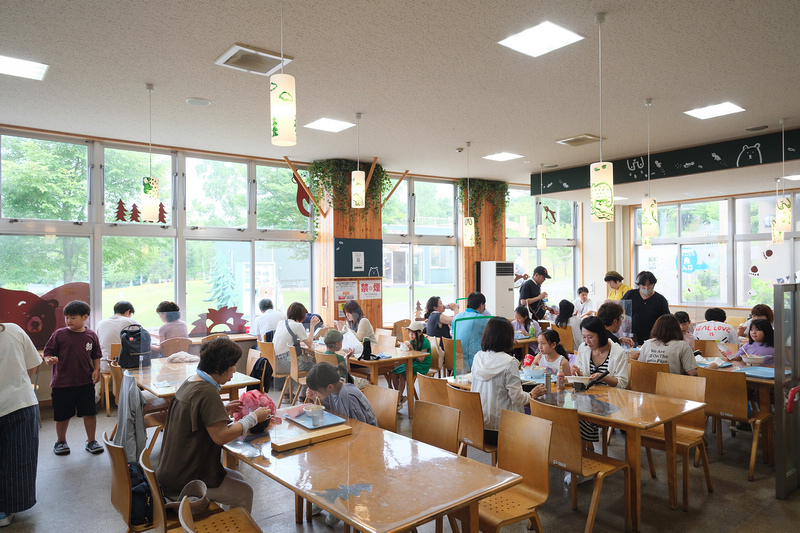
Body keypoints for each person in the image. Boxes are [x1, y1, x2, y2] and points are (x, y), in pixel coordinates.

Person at [156, 337, 270, 512]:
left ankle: (227, 522)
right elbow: (221, 436)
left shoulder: (191, 382)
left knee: (238, 477)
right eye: (232, 365)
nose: (234, 370)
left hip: (171, 471)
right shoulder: (208, 392)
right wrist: (253, 417)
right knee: (244, 492)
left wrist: (221, 409)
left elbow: (195, 414)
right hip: (185, 480)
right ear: (220, 367)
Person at [470, 318, 546, 445]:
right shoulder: (509, 362)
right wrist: (532, 394)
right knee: (538, 430)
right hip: (502, 429)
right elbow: (518, 398)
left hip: (477, 426)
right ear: (508, 338)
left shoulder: (478, 357)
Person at [42, 300, 104, 456]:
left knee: (90, 413)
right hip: (62, 383)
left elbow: (96, 355)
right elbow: (47, 353)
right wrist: (49, 359)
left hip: (85, 382)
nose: (68, 321)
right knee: (62, 415)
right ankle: (60, 441)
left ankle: (91, 441)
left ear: (85, 317)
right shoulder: (59, 334)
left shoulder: (91, 335)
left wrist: (97, 369)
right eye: (66, 318)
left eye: (73, 317)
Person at [0, 323, 42, 527]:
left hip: (17, 402)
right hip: (20, 402)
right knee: (18, 458)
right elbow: (32, 365)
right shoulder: (13, 330)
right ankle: (6, 508)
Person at [571, 317, 629, 445]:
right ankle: (584, 449)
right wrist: (578, 373)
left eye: (590, 337)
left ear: (601, 334)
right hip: (589, 396)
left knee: (580, 415)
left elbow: (622, 383)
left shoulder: (618, 352)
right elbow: (584, 375)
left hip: (611, 400)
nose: (587, 341)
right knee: (568, 413)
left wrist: (604, 377)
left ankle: (586, 449)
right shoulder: (584, 348)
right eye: (584, 337)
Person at [305, 362, 377, 426]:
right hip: (349, 429)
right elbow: (331, 409)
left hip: (367, 434)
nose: (315, 393)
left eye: (316, 391)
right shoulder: (332, 390)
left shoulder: (348, 396)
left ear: (329, 387)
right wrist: (316, 399)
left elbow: (359, 426)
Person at [620, 271, 670, 344]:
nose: (646, 288)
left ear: (653, 284)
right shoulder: (630, 294)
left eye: (649, 285)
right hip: (631, 337)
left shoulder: (660, 300)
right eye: (643, 285)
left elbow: (666, 320)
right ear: (639, 285)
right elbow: (619, 309)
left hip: (652, 338)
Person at [389, 321, 431, 406]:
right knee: (393, 372)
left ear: (420, 332)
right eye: (409, 333)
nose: (411, 335)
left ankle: (398, 400)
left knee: (402, 374)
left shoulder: (425, 342)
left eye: (413, 333)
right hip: (412, 363)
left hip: (422, 366)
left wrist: (411, 350)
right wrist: (404, 348)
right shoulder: (412, 341)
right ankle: (399, 396)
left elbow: (421, 360)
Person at [273, 302, 319, 376]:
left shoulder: (281, 323)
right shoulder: (297, 325)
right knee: (315, 366)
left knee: (308, 361)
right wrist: (312, 325)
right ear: (301, 316)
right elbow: (310, 344)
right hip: (284, 364)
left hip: (274, 363)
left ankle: (302, 387)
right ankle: (308, 387)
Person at [452, 292, 492, 371]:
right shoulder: (479, 318)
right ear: (481, 305)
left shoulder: (457, 317)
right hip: (473, 362)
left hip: (456, 360)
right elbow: (493, 334)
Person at [95, 301, 137, 372]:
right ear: (127, 312)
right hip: (124, 367)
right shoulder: (131, 322)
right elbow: (141, 341)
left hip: (104, 364)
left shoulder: (100, 323)